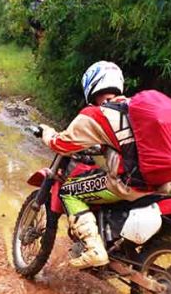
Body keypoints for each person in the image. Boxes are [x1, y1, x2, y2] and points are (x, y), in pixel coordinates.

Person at [39, 61, 155, 269]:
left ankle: (94, 249)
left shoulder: (97, 113)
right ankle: (114, 242)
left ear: (92, 85)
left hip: (129, 183)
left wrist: (47, 133)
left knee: (68, 191)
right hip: (160, 181)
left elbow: (62, 145)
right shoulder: (136, 107)